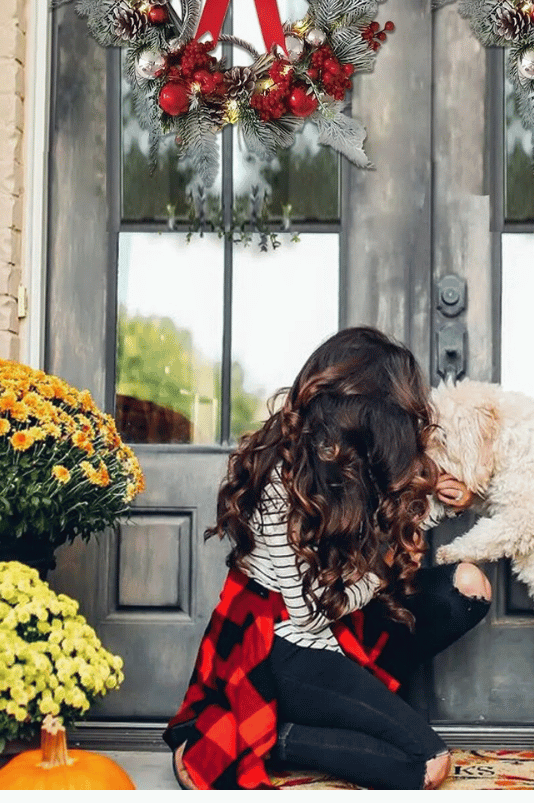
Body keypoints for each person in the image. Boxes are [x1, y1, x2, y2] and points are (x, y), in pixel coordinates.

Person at [164, 326, 491, 790]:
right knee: (426, 765)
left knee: (469, 587)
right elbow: (308, 615)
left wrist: (436, 499)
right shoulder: (280, 476)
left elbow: (389, 540)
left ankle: (353, 707)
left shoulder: (356, 459)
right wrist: (381, 571)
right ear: (365, 413)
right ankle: (273, 737)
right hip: (285, 642)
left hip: (340, 627)